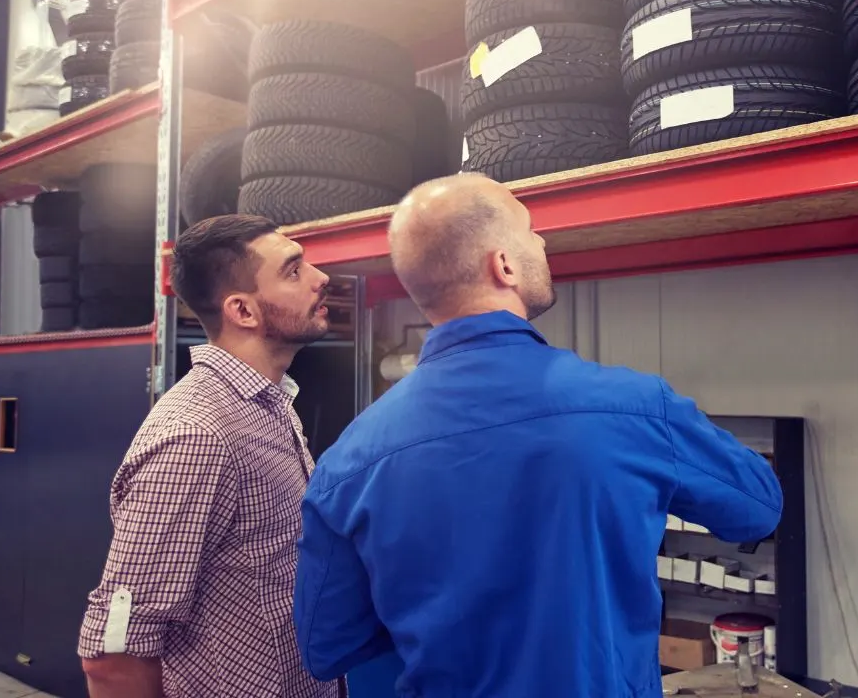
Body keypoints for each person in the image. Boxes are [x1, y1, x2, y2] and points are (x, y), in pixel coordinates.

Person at [293, 173, 783, 697]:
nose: (543, 243)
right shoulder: (634, 407)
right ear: (503, 264)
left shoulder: (348, 461)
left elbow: (328, 646)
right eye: (530, 230)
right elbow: (757, 508)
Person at [77, 214, 340, 698]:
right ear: (242, 310)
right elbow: (114, 655)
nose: (321, 278)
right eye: (294, 270)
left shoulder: (268, 405)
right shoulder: (197, 437)